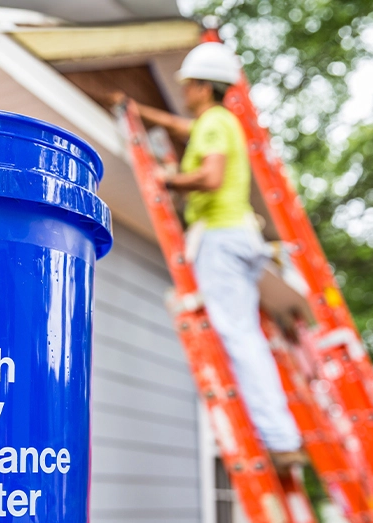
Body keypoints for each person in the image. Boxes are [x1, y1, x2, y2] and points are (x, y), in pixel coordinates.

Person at [112, 43, 305, 468]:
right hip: (239, 235)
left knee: (237, 336)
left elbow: (211, 176)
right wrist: (140, 111)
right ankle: (281, 432)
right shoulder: (217, 122)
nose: (184, 92)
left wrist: (170, 179)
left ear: (203, 87)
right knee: (243, 333)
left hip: (220, 236)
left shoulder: (215, 123)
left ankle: (279, 437)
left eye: (188, 85)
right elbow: (183, 128)